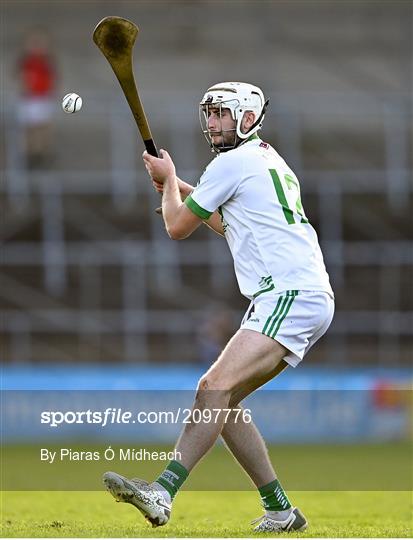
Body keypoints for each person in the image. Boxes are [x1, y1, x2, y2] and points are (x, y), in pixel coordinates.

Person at [103, 82, 334, 533]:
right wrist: (177, 185)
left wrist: (170, 185)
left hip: (289, 293)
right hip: (296, 294)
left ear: (247, 118)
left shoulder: (232, 162)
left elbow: (176, 226)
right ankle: (282, 510)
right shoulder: (264, 159)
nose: (212, 122)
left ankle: (161, 493)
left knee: (212, 386)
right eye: (208, 113)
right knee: (223, 403)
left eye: (222, 113)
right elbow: (226, 222)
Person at [16, 28, 57, 169]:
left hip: (43, 99)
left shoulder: (47, 63)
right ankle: (29, 156)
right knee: (30, 130)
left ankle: (42, 155)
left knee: (43, 130)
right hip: (30, 99)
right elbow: (22, 80)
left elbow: (53, 80)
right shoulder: (26, 62)